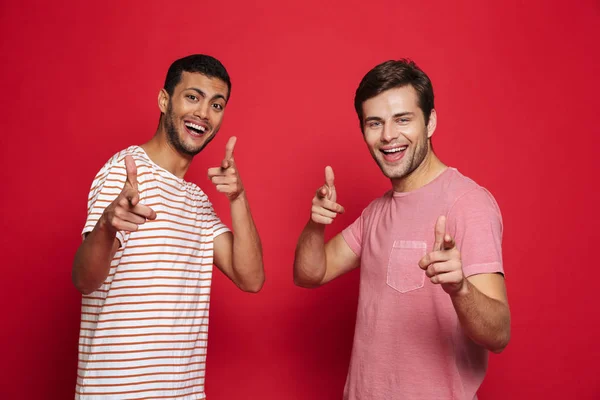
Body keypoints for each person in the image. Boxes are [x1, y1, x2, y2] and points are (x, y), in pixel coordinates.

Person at [293, 59, 510, 399]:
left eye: (403, 119)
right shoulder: (376, 213)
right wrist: (315, 224)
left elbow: (498, 334)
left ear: (430, 122)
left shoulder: (468, 203)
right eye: (375, 123)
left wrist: (461, 289)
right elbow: (310, 274)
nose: (388, 135)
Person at [72, 54, 264, 399]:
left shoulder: (197, 201)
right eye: (193, 97)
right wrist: (106, 226)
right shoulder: (125, 171)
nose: (203, 114)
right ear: (165, 100)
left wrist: (238, 198)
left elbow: (250, 279)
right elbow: (85, 281)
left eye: (216, 105)